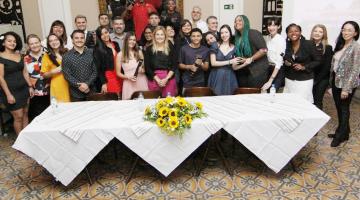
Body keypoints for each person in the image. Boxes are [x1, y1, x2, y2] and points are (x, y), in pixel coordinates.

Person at [328, 21, 360, 147]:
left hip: (347, 83)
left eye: (349, 30)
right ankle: (344, 131)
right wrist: (330, 84)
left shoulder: (356, 47)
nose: (345, 32)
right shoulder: (341, 44)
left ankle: (340, 135)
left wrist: (346, 89)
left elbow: (355, 69)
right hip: (336, 80)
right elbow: (334, 65)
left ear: (355, 33)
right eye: (344, 29)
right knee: (339, 108)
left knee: (344, 109)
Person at [0, 32, 34, 135]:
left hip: (24, 89)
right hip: (11, 92)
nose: (12, 43)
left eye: (14, 41)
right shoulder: (0, 56)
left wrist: (30, 86)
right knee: (18, 117)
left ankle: (26, 138)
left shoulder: (19, 54)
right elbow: (0, 77)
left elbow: (25, 72)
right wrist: (8, 94)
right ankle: (20, 143)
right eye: (9, 41)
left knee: (25, 114)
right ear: (3, 43)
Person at [282, 23, 321, 103]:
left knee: (303, 102)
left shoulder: (308, 44)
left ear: (300, 32)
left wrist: (304, 67)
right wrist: (286, 63)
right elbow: (284, 58)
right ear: (287, 34)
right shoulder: (285, 44)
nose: (293, 33)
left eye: (296, 31)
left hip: (304, 79)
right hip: (290, 79)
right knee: (289, 102)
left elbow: (318, 61)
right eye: (290, 32)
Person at [233, 15, 269, 88]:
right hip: (243, 70)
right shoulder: (236, 38)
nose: (237, 22)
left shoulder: (253, 33)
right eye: (235, 21)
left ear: (245, 22)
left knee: (253, 94)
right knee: (243, 93)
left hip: (258, 70)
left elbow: (264, 50)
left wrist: (250, 59)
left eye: (240, 20)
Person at [62, 30, 97, 102]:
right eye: (76, 38)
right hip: (76, 94)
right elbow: (67, 75)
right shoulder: (66, 56)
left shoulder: (91, 52)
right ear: (72, 40)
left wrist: (87, 84)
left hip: (91, 90)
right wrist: (79, 86)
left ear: (84, 39)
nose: (79, 40)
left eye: (82, 38)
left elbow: (95, 71)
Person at [144, 26, 177, 97]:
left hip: (169, 79)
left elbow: (174, 65)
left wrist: (166, 79)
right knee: (154, 104)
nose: (160, 37)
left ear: (165, 36)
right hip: (154, 79)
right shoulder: (149, 49)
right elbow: (147, 68)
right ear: (154, 36)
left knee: (169, 104)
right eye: (157, 34)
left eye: (162, 34)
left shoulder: (170, 47)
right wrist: (158, 80)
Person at [208, 25, 240, 95]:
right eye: (222, 33)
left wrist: (246, 63)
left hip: (230, 76)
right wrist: (230, 61)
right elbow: (213, 63)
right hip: (216, 75)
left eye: (226, 32)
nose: (224, 35)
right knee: (215, 98)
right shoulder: (215, 45)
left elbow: (234, 67)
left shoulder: (235, 47)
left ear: (230, 33)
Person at [116, 32, 148, 100]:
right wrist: (128, 77)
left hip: (141, 81)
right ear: (126, 40)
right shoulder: (120, 55)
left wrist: (143, 70)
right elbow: (118, 73)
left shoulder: (139, 52)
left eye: (134, 40)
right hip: (128, 83)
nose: (132, 42)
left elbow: (144, 67)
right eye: (130, 39)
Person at [24, 34, 49, 121]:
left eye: (36, 42)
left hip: (50, 88)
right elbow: (25, 73)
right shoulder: (26, 58)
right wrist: (29, 86)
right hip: (35, 91)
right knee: (39, 115)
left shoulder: (48, 54)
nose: (34, 45)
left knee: (52, 113)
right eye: (32, 44)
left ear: (40, 42)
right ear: (28, 45)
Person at [41, 34, 70, 102]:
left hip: (71, 83)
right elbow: (44, 75)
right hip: (58, 86)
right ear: (49, 44)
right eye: (51, 41)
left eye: (56, 39)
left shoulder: (67, 51)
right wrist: (54, 71)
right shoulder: (46, 56)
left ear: (60, 40)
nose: (54, 42)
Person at [310, 24, 333, 110]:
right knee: (309, 100)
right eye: (315, 31)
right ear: (312, 32)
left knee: (317, 101)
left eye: (320, 32)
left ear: (324, 34)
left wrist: (315, 81)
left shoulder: (328, 48)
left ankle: (317, 121)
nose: (317, 33)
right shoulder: (307, 45)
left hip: (322, 79)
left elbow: (326, 68)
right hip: (309, 77)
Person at [94, 26, 122, 95]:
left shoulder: (115, 44)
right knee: (115, 98)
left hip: (120, 74)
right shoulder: (97, 49)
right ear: (99, 36)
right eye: (102, 34)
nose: (105, 35)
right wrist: (103, 83)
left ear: (109, 32)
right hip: (109, 77)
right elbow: (98, 68)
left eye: (106, 32)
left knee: (123, 98)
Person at [262, 18, 286, 91]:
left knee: (272, 91)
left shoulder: (281, 40)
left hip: (277, 70)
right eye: (269, 25)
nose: (271, 28)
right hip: (268, 68)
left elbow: (279, 62)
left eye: (274, 25)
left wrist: (270, 81)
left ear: (278, 27)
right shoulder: (267, 38)